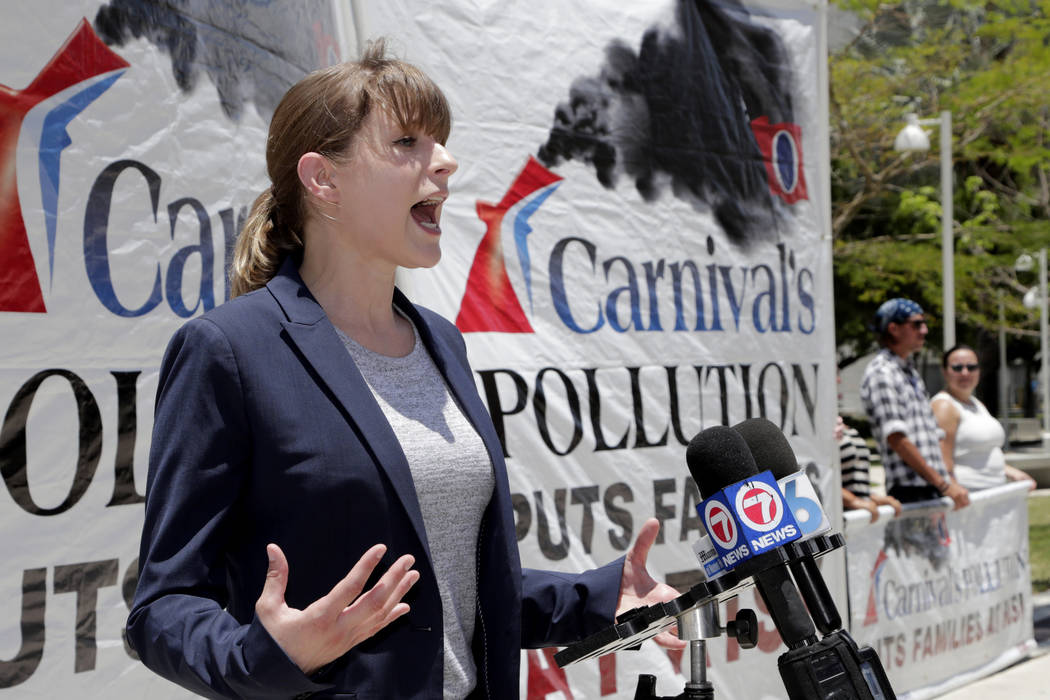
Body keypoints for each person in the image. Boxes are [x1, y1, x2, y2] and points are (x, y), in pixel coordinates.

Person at [125, 40, 684, 699]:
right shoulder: (228, 349)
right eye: (408, 143)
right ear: (322, 180)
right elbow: (160, 608)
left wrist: (595, 595)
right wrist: (266, 653)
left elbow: (452, 590)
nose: (444, 163)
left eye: (441, 143)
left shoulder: (442, 343)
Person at [859, 298, 969, 508]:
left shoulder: (908, 371)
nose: (924, 330)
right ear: (894, 328)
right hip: (910, 491)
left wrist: (945, 482)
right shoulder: (882, 372)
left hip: (929, 488)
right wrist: (944, 485)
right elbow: (897, 438)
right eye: (916, 324)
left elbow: (931, 437)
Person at [931, 344, 1037, 492]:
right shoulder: (944, 406)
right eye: (957, 368)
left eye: (972, 367)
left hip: (993, 492)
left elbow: (983, 452)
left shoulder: (976, 404)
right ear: (944, 372)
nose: (965, 373)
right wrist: (952, 489)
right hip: (968, 497)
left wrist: (1009, 471)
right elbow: (942, 461)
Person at [836, 415, 902, 521]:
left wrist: (874, 498)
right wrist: (854, 501)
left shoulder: (844, 426)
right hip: (839, 517)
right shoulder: (819, 426)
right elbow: (821, 478)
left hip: (858, 516)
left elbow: (853, 480)